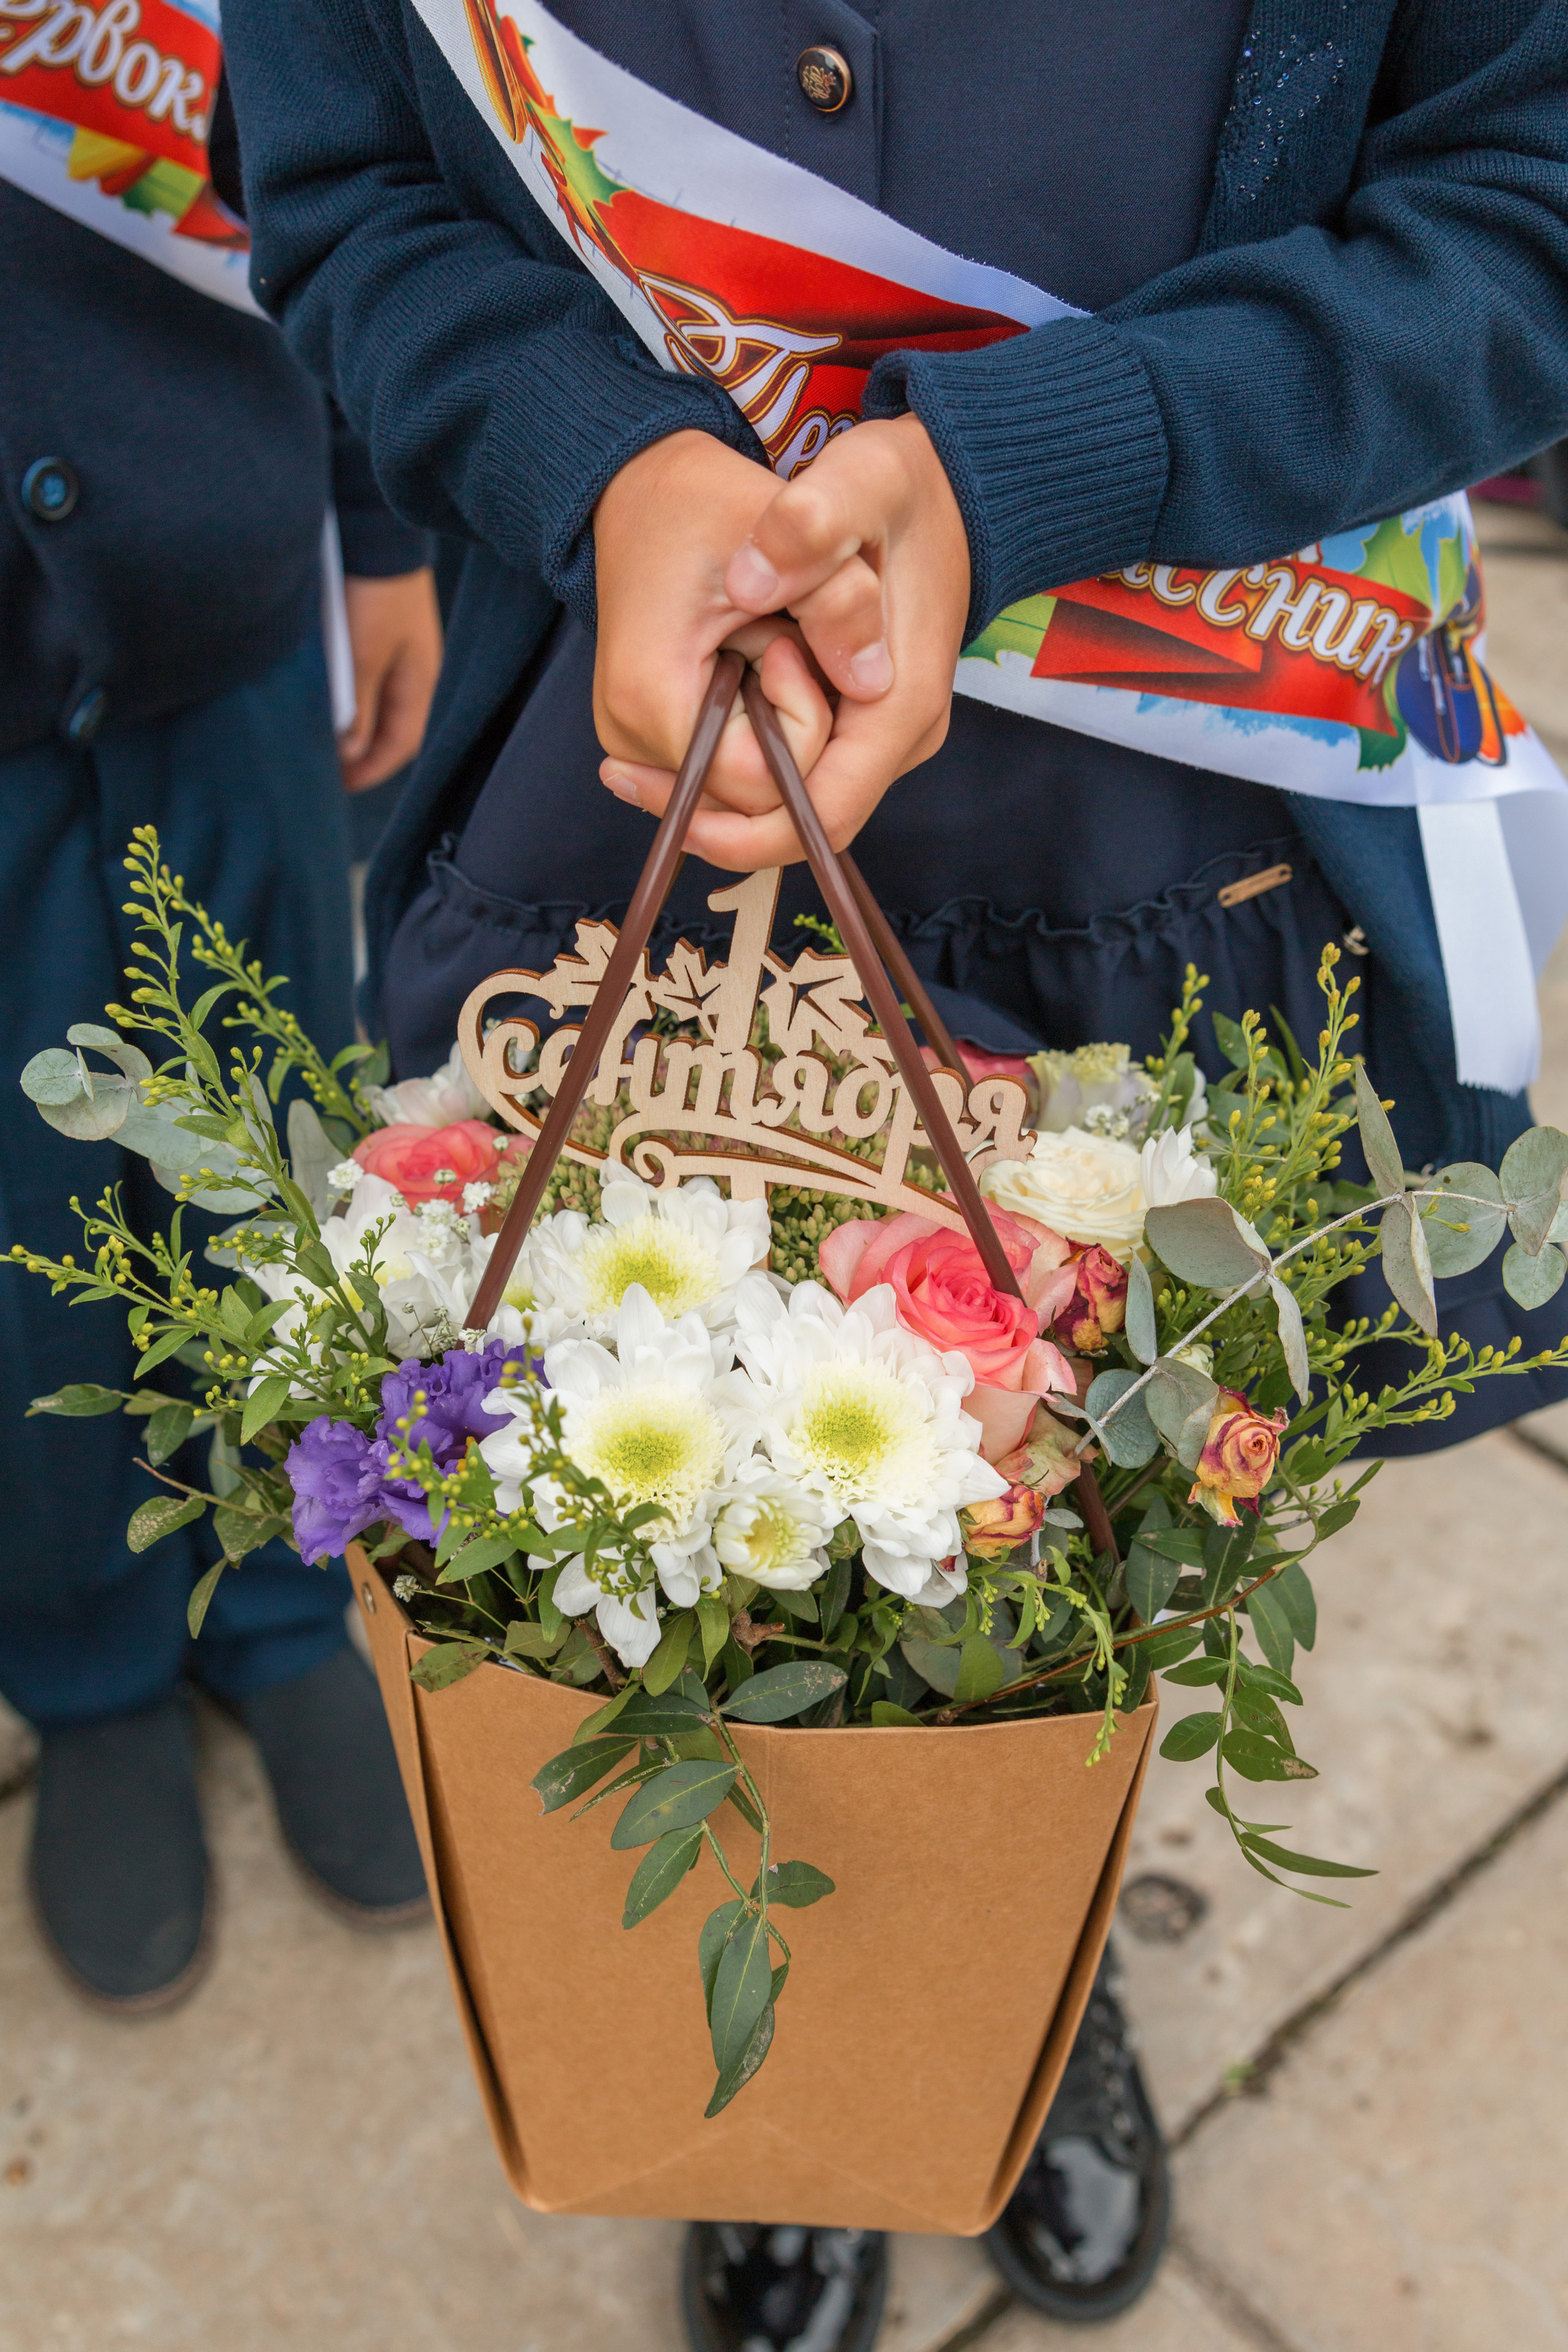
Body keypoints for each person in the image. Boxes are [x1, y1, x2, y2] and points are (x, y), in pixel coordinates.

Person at [219, 0, 1568, 2338]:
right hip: (622, 805)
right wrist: (611, 462)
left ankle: (1017, 1980)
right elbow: (346, 193)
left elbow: (1522, 211)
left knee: (1097, 1537)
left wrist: (1043, 462)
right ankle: (773, 2089)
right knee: (655, 1553)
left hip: (1185, 824)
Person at [0, 35, 445, 2015]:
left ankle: (282, 1601)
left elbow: (327, 106)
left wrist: (384, 515)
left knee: (281, 1146)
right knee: (30, 1218)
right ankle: (86, 1651)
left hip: (230, 591)